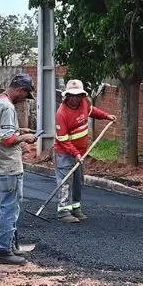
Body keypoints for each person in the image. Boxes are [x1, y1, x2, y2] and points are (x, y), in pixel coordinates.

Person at [0, 73, 38, 266]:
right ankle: (3, 251)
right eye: (25, 95)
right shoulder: (7, 107)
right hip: (8, 163)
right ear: (19, 89)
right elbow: (7, 140)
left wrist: (19, 131)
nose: (25, 99)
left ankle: (11, 244)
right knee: (10, 207)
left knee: (11, 205)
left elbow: (0, 131)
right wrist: (25, 138)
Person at [53, 79, 115, 224]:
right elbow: (63, 139)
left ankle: (76, 208)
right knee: (65, 182)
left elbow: (92, 111)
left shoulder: (84, 103)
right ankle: (64, 212)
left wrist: (106, 116)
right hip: (65, 153)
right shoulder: (61, 114)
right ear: (67, 96)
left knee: (78, 181)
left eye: (78, 95)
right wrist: (75, 154)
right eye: (72, 95)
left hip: (81, 153)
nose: (75, 99)